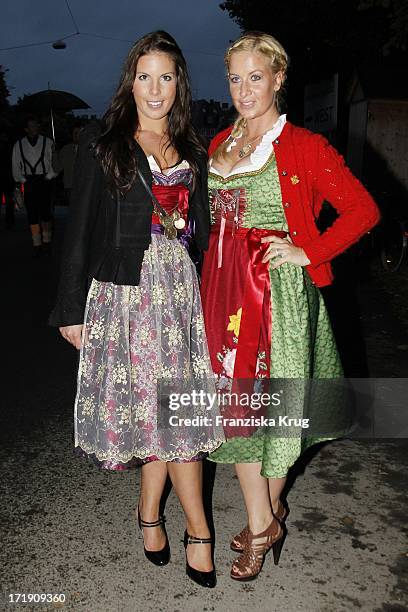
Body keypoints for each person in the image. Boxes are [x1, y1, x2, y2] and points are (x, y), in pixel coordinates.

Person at [200, 31, 380, 582]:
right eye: (235, 78)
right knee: (237, 416)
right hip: (225, 294)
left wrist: (309, 250)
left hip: (278, 299)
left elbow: (363, 210)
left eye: (256, 77)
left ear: (279, 79)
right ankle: (268, 514)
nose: (244, 89)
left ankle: (260, 525)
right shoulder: (217, 144)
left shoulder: (305, 147)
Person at [48, 31, 223, 588]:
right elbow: (80, 233)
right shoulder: (109, 144)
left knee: (176, 416)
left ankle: (152, 517)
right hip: (126, 296)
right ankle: (199, 530)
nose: (155, 88)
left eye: (166, 76)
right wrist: (70, 308)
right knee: (166, 420)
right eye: (144, 76)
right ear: (131, 81)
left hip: (180, 296)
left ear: (179, 83)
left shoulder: (194, 148)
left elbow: (208, 232)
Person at [12, 116, 57, 256]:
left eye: (36, 125)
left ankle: (47, 241)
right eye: (31, 125)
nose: (34, 128)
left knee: (45, 214)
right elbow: (15, 164)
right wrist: (21, 180)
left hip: (44, 180)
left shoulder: (48, 142)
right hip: (30, 181)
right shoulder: (19, 144)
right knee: (32, 215)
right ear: (26, 129)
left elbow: (54, 163)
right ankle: (36, 243)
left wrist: (49, 177)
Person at [56, 125, 81, 205]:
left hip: (85, 186)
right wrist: (54, 154)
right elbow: (57, 168)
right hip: (70, 186)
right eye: (74, 133)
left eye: (79, 133)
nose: (76, 135)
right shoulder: (65, 149)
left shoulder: (90, 149)